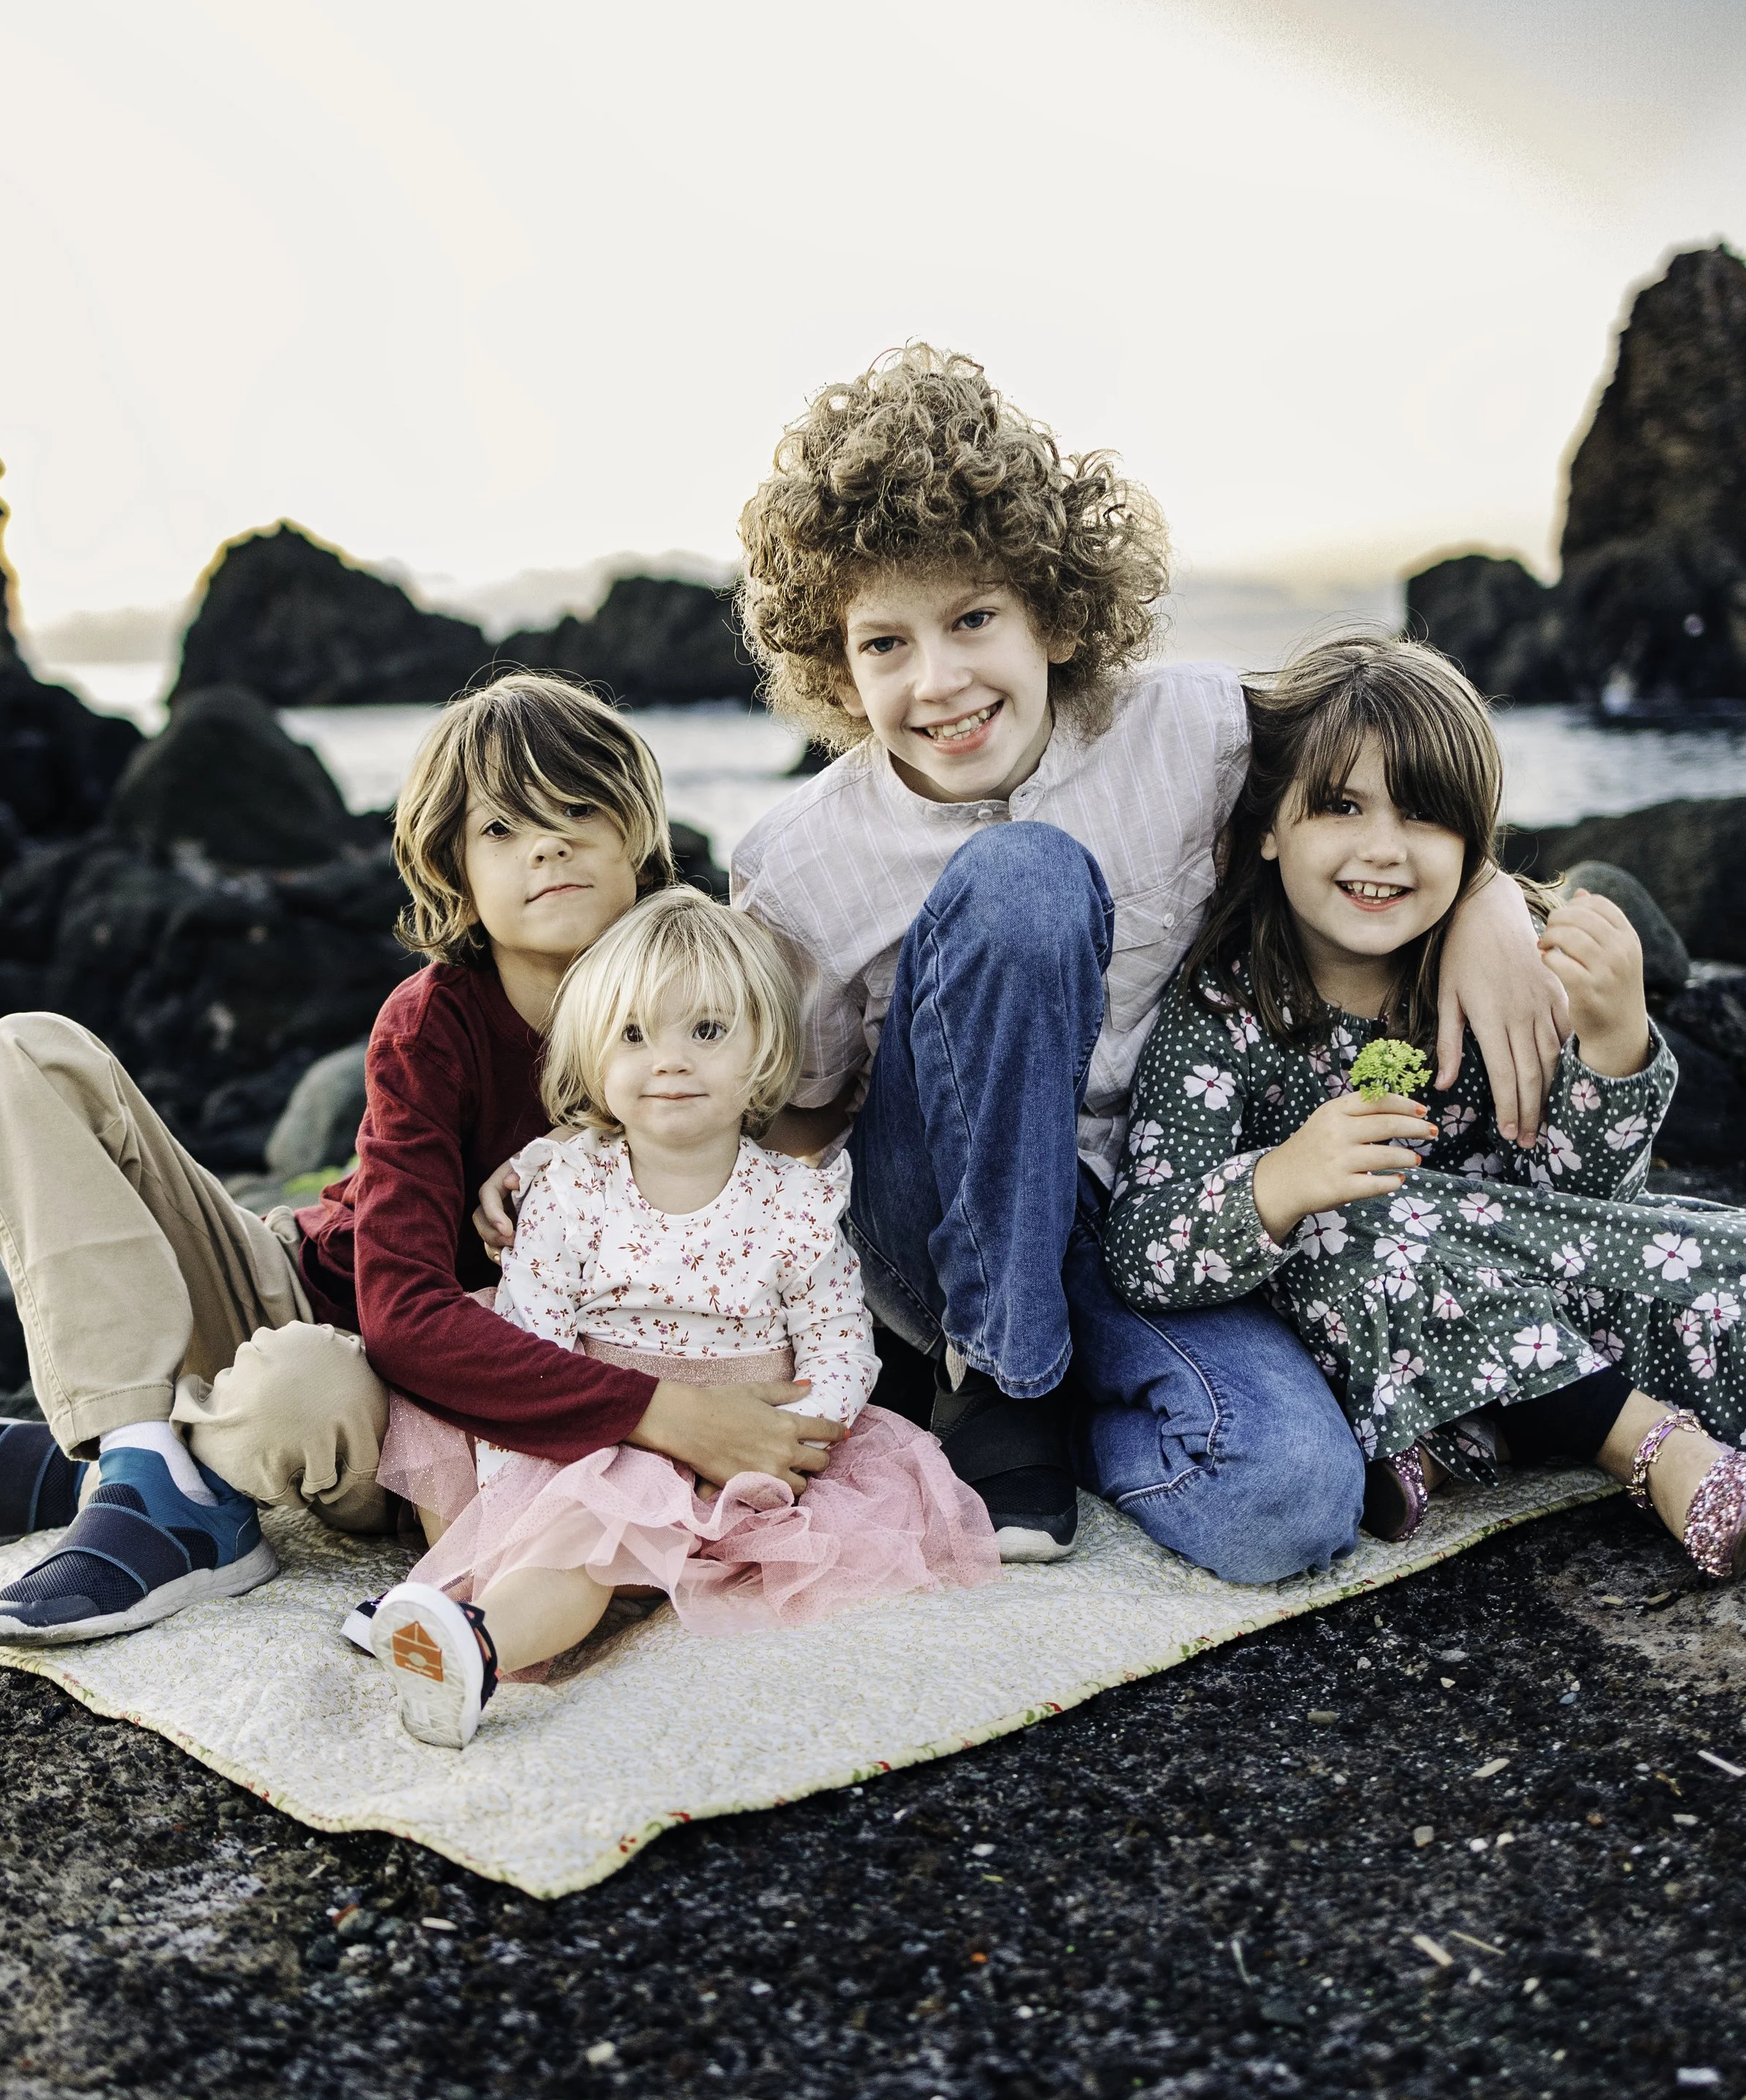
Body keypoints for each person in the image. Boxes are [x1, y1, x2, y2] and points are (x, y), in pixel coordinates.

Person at [691, 345, 1561, 1583]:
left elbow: (1375, 800)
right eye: (885, 644)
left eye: (974, 618)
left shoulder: (1196, 729)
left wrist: (1488, 898)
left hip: (1147, 1216)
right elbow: (806, 1117)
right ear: (836, 665)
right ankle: (997, 1378)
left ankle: (1078, 1408)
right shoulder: (795, 862)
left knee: (1293, 1501)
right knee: (1027, 881)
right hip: (933, 1240)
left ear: (1051, 607)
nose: (939, 683)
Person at [0, 675, 843, 1644]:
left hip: (405, 1414)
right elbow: (399, 1308)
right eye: (502, 830)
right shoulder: (432, 1021)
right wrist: (663, 1413)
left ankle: (128, 1464)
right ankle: (146, 1462)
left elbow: (784, 1166)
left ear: (639, 838)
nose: (548, 844)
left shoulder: (707, 997)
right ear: (456, 873)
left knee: (291, 1397)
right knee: (28, 1051)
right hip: (304, 1287)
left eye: (579, 811)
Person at [1102, 632, 1746, 1577]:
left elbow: (1583, 1203)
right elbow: (1139, 1249)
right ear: (1270, 824)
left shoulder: (1490, 973)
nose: (1383, 848)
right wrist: (1278, 1184)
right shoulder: (1221, 1014)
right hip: (1345, 1325)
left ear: (1471, 840)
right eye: (1341, 806)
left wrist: (1612, 1040)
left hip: (1525, 1301)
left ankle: (1471, 1434)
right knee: (1364, 1220)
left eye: (1424, 815)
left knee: (1714, 1268)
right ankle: (1647, 1446)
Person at [368, 890, 997, 1750]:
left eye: (705, 1032)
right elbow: (531, 1331)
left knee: (629, 1539)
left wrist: (803, 1434)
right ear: (592, 1059)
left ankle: (469, 1625)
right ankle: (477, 1640)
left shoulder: (794, 1198)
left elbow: (839, 1338)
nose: (668, 1060)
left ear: (762, 1054)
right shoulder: (569, 1187)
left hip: (749, 1450)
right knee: (581, 1533)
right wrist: (525, 1489)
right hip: (597, 1439)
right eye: (633, 1035)